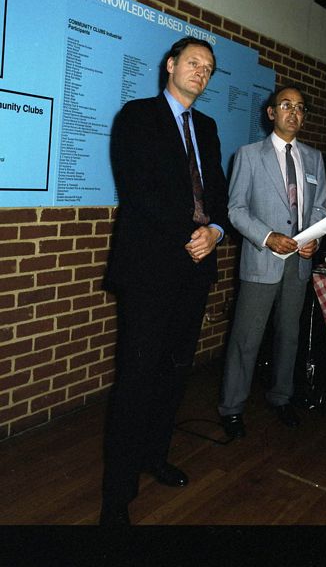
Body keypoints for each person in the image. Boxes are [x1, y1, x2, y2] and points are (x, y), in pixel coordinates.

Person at [101, 37, 228, 526]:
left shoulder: (209, 128)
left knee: (174, 372)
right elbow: (139, 191)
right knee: (135, 379)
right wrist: (191, 234)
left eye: (209, 68)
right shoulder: (137, 116)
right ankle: (116, 497)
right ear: (170, 65)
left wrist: (214, 231)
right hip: (151, 269)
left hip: (195, 269)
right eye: (193, 63)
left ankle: (154, 455)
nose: (201, 72)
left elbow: (214, 191)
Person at [218, 85, 326, 438]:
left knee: (289, 335)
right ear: (271, 113)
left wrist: (313, 238)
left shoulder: (313, 159)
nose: (293, 113)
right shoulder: (249, 155)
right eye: (285, 106)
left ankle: (281, 397)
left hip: (298, 265)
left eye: (299, 107)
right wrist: (267, 237)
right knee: (246, 338)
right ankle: (232, 407)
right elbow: (235, 209)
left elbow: (320, 209)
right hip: (262, 260)